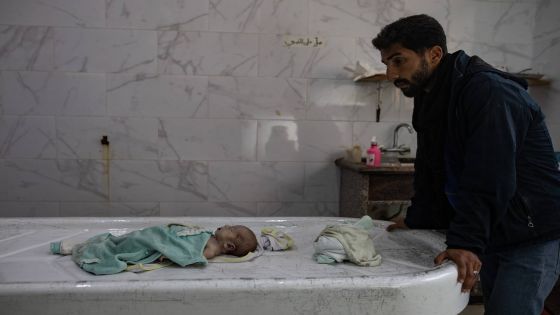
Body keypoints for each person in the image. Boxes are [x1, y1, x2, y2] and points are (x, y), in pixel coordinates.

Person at [372, 14, 560, 314]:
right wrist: (418, 218)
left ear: (434, 54)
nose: (390, 74)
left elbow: (490, 174)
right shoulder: (431, 94)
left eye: (398, 60)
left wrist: (467, 242)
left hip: (530, 232)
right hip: (496, 226)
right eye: (386, 64)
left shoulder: (487, 91)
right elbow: (431, 168)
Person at [51, 223, 258, 275]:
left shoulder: (211, 249)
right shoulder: (209, 236)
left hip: (155, 244)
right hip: (156, 235)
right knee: (124, 239)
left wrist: (166, 251)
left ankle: (79, 250)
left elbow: (190, 255)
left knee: (122, 246)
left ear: (229, 246)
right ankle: (81, 246)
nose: (227, 225)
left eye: (231, 229)